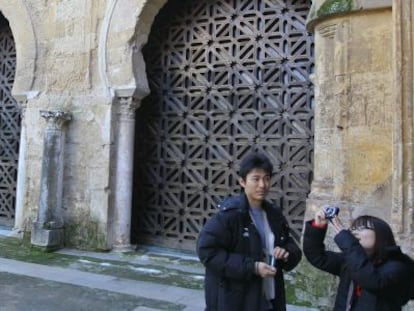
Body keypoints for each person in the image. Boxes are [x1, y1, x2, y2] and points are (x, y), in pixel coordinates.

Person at [196, 152, 302, 311]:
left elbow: (291, 246)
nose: (262, 184)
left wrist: (286, 253)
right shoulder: (229, 215)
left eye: (266, 178)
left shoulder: (274, 214)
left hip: (270, 297)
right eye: (256, 179)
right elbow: (207, 251)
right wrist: (252, 267)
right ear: (242, 181)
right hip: (237, 300)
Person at [303, 208, 413, 310]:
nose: (354, 232)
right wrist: (318, 226)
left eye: (362, 228)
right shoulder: (351, 260)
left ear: (381, 234)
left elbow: (372, 281)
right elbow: (317, 256)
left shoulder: (398, 266)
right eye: (353, 228)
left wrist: (347, 241)